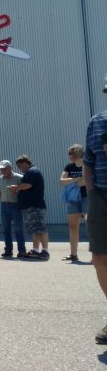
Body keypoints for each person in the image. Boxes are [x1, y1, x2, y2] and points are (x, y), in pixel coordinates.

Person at [83, 93, 107, 344]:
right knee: (100, 257)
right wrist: (92, 192)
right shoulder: (97, 121)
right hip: (101, 196)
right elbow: (89, 161)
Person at [10, 155, 49, 259]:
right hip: (29, 207)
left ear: (25, 163)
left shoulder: (33, 171)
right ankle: (36, 250)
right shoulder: (29, 172)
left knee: (40, 228)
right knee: (34, 230)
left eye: (19, 165)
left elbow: (28, 185)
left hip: (35, 206)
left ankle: (45, 251)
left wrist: (16, 187)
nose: (19, 168)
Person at [60, 144, 87, 262]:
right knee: (73, 226)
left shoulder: (87, 164)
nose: (69, 156)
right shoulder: (69, 166)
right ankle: (73, 254)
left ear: (78, 153)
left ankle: (95, 255)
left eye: (71, 153)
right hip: (73, 198)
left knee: (90, 225)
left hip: (87, 197)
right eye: (69, 154)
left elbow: (86, 182)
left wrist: (72, 181)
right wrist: (77, 179)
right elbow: (62, 181)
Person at [0, 159, 26, 258]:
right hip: (4, 206)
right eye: (1, 169)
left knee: (18, 229)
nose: (2, 171)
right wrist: (3, 200)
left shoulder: (19, 178)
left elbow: (24, 192)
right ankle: (8, 250)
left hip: (16, 206)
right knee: (6, 229)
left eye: (4, 169)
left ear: (10, 168)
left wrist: (16, 192)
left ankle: (22, 250)